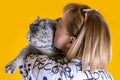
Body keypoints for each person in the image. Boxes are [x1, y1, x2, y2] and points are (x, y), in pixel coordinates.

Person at [20, 3, 113, 80]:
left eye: (60, 25)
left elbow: (27, 60)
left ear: (71, 42)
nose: (55, 26)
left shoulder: (54, 72)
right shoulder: (107, 75)